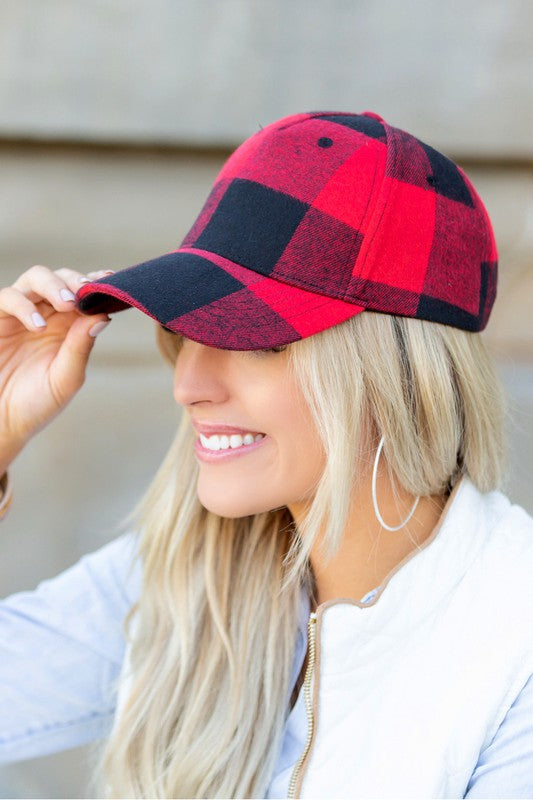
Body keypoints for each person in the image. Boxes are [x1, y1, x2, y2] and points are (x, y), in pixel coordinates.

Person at [0, 110, 532, 800]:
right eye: (188, 331)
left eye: (253, 341)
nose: (188, 387)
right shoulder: (183, 576)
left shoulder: (512, 639)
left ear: (395, 372)